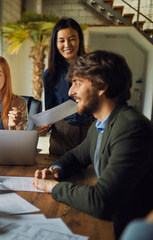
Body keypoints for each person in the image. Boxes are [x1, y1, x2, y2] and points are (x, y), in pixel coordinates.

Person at [33, 50, 153, 239]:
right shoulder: (100, 124)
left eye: (77, 84)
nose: (71, 92)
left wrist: (52, 187)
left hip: (123, 229)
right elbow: (76, 156)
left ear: (101, 86)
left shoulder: (131, 128)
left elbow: (101, 201)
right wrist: (57, 169)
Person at [37, 18, 93, 155]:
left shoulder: (93, 67)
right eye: (61, 40)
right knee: (58, 172)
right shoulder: (49, 75)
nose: (67, 45)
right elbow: (50, 110)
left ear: (79, 39)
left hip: (91, 131)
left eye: (72, 39)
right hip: (61, 135)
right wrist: (44, 126)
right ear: (55, 43)